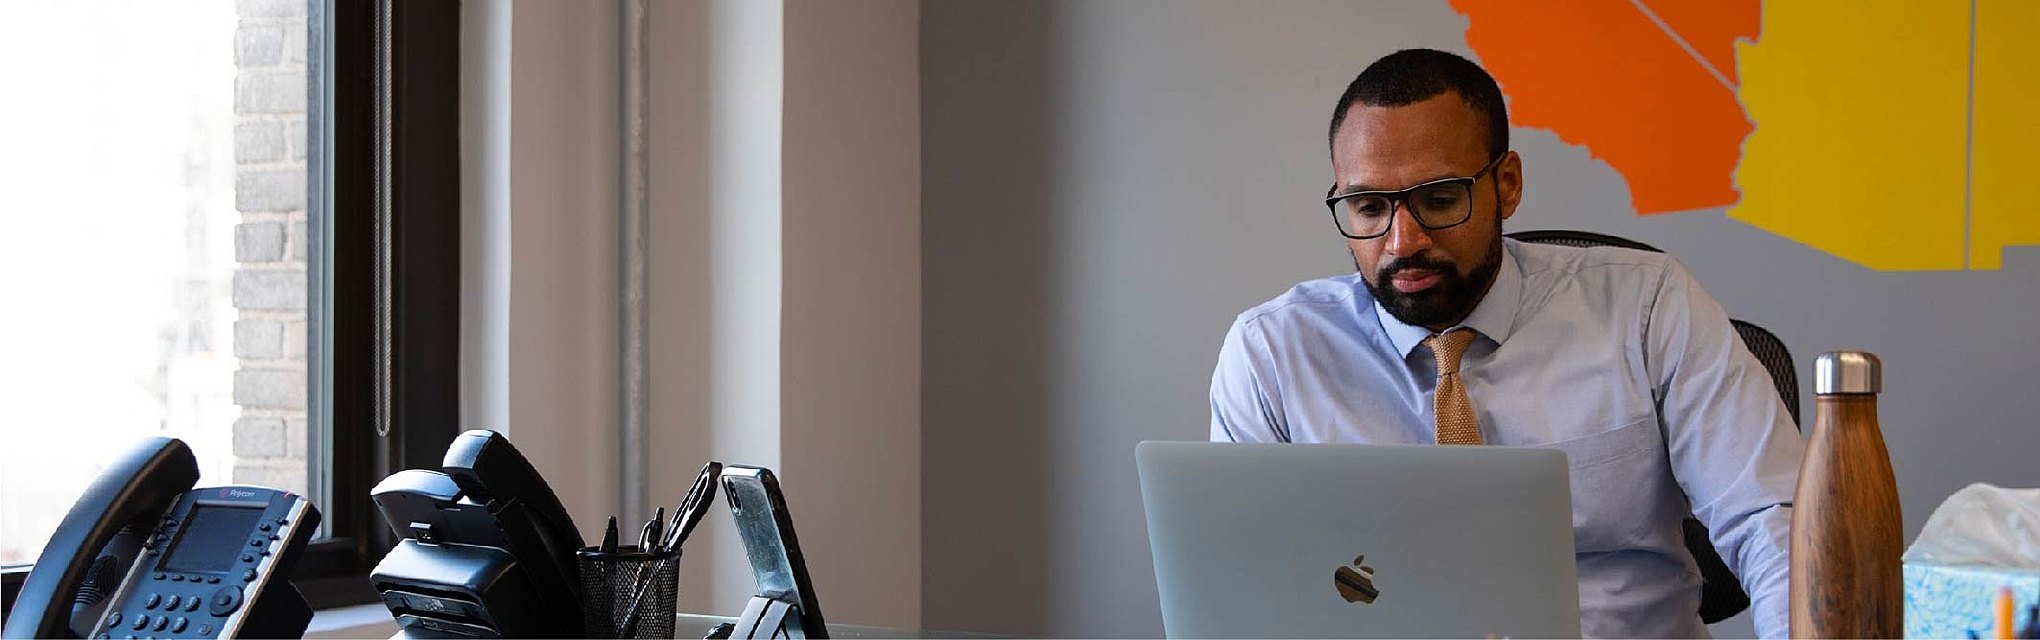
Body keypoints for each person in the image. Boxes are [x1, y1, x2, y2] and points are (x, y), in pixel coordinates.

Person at [1208, 48, 1802, 638]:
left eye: (1439, 200)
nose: (1401, 242)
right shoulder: (1273, 354)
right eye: (1369, 208)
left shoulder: (1646, 308)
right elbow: (1245, 591)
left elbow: (1775, 524)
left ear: (1508, 185)